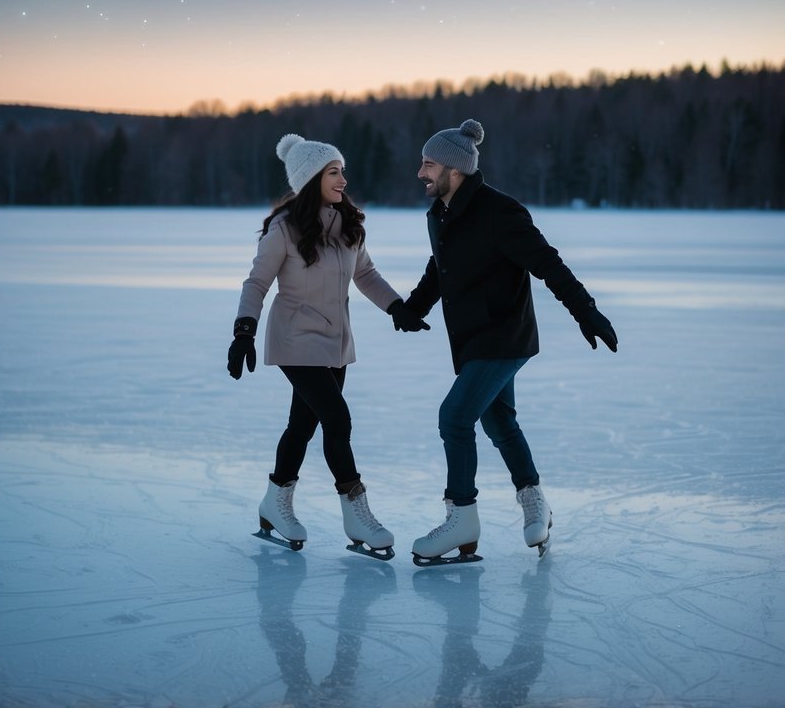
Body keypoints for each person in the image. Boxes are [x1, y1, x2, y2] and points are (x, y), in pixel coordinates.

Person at [388, 119, 617, 562]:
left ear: (455, 170)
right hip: (472, 338)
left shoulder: (500, 212)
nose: (421, 173)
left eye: (428, 164)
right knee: (498, 422)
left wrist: (585, 311)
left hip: (504, 336)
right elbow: (440, 268)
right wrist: (413, 307)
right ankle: (534, 501)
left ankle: (462, 518)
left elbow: (548, 264)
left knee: (455, 417)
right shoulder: (441, 213)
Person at [227, 133, 401, 556]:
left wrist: (398, 307)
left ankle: (275, 501)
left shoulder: (350, 225)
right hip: (295, 338)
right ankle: (356, 513)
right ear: (310, 179)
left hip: (335, 342)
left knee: (302, 427)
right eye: (333, 172)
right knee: (337, 420)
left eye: (342, 171)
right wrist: (244, 331)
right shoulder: (284, 230)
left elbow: (367, 276)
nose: (343, 179)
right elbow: (257, 282)